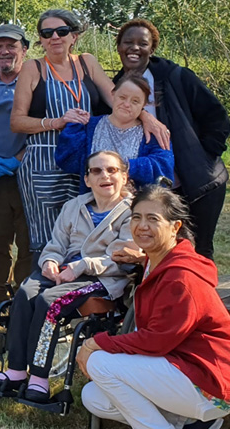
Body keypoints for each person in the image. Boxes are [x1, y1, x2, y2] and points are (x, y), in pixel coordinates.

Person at [0, 151, 135, 403]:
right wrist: (50, 261)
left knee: (49, 302)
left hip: (99, 279)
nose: (105, 176)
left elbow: (122, 256)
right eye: (96, 171)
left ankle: (39, 378)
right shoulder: (75, 206)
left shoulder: (131, 213)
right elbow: (56, 244)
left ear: (124, 177)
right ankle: (16, 371)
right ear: (87, 179)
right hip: (62, 272)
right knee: (24, 293)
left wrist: (81, 266)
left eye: (112, 170)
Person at [11, 9, 169, 257]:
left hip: (86, 160)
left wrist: (146, 116)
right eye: (47, 32)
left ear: (73, 36)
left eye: (62, 31)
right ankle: (44, 290)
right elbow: (17, 121)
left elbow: (118, 97)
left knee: (82, 232)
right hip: (44, 161)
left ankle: (83, 288)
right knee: (46, 237)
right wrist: (57, 122)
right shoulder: (33, 68)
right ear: (40, 39)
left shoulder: (86, 62)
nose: (55, 37)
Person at [78, 184, 230, 429]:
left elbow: (155, 341)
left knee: (99, 363)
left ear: (175, 227)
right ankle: (190, 424)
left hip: (211, 384)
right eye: (136, 217)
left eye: (153, 219)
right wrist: (141, 258)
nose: (142, 226)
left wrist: (96, 343)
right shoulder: (158, 262)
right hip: (182, 369)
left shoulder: (182, 278)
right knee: (94, 397)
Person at [112, 18, 229, 259]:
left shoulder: (176, 77)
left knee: (198, 249)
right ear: (119, 47)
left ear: (151, 49)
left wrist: (203, 155)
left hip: (198, 182)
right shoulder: (114, 88)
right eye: (128, 42)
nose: (134, 48)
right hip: (151, 184)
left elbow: (216, 116)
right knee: (158, 250)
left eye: (142, 43)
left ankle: (201, 296)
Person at [0, 24, 32, 318]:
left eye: (11, 46)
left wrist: (18, 158)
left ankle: (23, 300)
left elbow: (41, 129)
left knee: (27, 242)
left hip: (25, 174)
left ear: (24, 50)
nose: (5, 51)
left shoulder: (35, 83)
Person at [57, 75, 174, 192]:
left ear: (144, 105)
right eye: (122, 97)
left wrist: (126, 167)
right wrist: (74, 125)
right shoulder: (90, 126)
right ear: (113, 94)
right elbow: (67, 162)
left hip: (137, 206)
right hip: (94, 203)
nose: (127, 104)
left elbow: (164, 169)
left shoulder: (154, 133)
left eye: (135, 101)